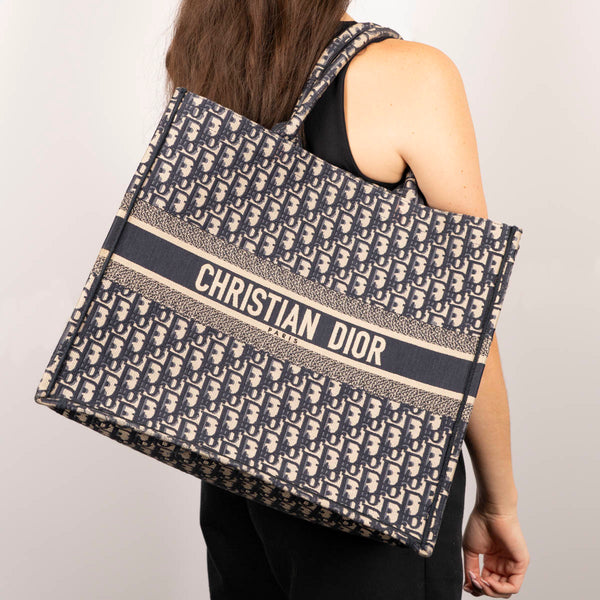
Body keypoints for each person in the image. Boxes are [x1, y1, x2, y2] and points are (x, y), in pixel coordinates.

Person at [165, 3, 530, 599]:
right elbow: (466, 323)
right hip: (374, 470)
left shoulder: (209, 64)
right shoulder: (410, 74)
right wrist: (499, 502)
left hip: (235, 461)